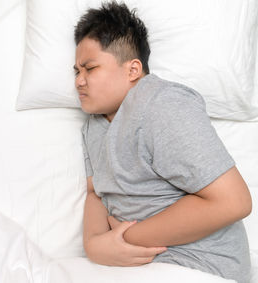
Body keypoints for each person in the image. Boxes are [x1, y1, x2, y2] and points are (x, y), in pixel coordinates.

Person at [73, 2, 252, 282]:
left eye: (90, 69)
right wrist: (94, 244)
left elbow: (233, 201)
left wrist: (127, 238)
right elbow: (96, 191)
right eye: (76, 72)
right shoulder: (92, 127)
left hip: (198, 263)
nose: (79, 81)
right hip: (138, 265)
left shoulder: (161, 103)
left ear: (133, 70)